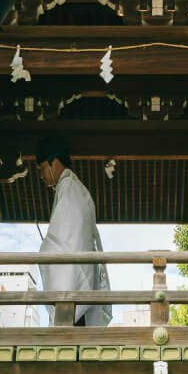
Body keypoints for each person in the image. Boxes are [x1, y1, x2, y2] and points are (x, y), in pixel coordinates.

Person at [36, 135, 112, 327]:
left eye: (42, 168)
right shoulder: (76, 188)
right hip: (84, 280)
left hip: (73, 286)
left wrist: (45, 248)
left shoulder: (68, 187)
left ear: (54, 163)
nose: (42, 175)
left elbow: (63, 239)